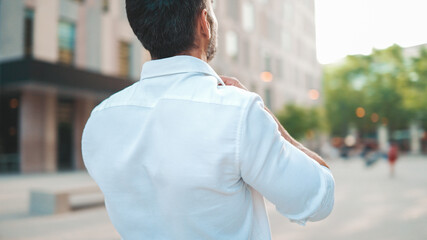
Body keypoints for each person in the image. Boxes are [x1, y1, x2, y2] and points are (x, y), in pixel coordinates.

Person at [81, 0, 335, 239]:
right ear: (204, 22)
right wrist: (271, 121)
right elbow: (318, 199)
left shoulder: (100, 120)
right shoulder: (238, 113)